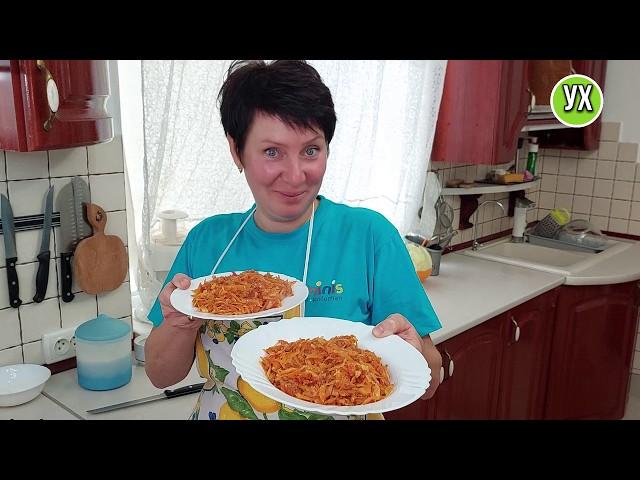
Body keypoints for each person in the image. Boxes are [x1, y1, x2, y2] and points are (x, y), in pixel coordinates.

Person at [145, 60, 443, 420]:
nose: (295, 175)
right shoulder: (207, 241)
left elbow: (431, 382)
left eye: (311, 150)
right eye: (272, 152)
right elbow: (160, 375)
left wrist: (416, 353)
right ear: (236, 151)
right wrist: (179, 322)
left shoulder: (369, 236)